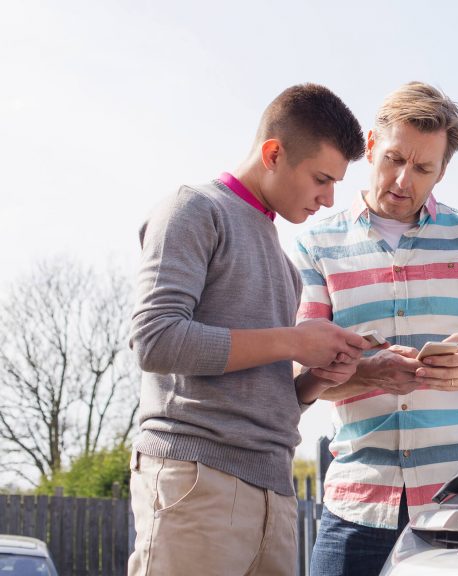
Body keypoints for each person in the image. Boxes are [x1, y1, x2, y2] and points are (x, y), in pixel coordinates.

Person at [293, 82, 458, 575]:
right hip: (358, 503)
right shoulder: (315, 245)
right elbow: (306, 376)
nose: (403, 180)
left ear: (443, 170)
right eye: (393, 159)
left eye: (424, 168)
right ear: (369, 146)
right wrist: (371, 373)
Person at [128, 83, 372, 576]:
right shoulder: (193, 209)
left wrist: (314, 381)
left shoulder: (284, 264)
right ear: (274, 153)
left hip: (276, 494)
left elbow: (260, 389)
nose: (328, 199)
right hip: (198, 483)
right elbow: (156, 339)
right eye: (322, 179)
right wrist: (296, 341)